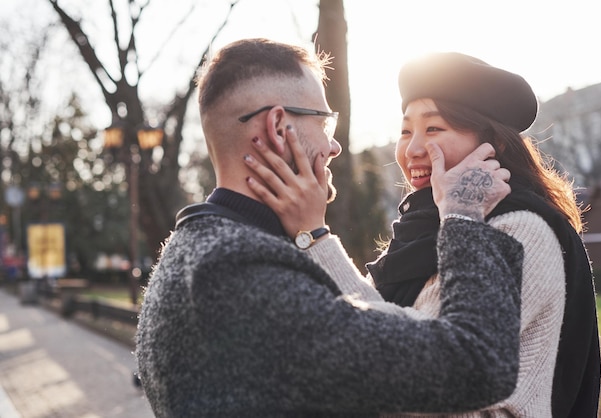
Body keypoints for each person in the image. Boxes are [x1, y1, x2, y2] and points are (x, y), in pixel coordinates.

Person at [135, 39, 524, 417]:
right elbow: (476, 363)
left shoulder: (194, 249)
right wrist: (463, 217)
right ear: (278, 126)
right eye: (324, 121)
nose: (334, 146)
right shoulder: (239, 271)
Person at [248, 52, 601, 418]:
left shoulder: (518, 229)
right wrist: (310, 237)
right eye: (405, 131)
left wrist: (314, 237)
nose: (413, 149)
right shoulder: (426, 231)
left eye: (434, 129)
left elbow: (420, 374)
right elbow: (371, 325)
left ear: (494, 145)